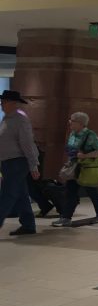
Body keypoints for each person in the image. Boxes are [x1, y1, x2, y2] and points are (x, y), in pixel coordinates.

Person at [52, 112, 98, 227]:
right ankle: (66, 217)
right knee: (70, 192)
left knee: (92, 192)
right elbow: (71, 149)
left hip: (86, 168)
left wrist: (85, 156)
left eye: (72, 121)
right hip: (75, 167)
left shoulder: (90, 135)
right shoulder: (73, 134)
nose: (70, 123)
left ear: (81, 123)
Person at [0, 90, 39, 236]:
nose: (1, 105)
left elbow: (27, 144)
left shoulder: (20, 119)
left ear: (13, 103)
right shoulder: (7, 119)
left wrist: (33, 165)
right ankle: (28, 225)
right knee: (21, 194)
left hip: (17, 162)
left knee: (7, 194)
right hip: (8, 162)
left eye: (4, 102)